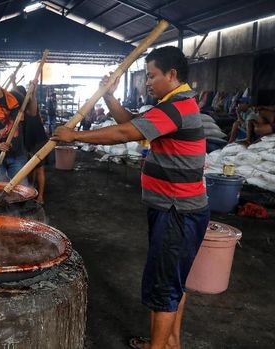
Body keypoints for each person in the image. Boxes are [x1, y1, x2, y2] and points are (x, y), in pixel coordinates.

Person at [52, 46, 210, 349]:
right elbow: (133, 123)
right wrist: (109, 95)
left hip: (176, 211)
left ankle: (159, 346)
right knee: (173, 280)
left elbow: (124, 133)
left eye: (151, 76)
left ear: (172, 75)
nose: (147, 82)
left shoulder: (176, 108)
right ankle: (168, 343)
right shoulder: (174, 105)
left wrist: (75, 136)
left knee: (164, 286)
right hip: (175, 209)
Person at [13, 85, 48, 205]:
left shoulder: (31, 108)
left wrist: (33, 92)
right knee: (30, 168)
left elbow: (32, 103)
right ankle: (31, 189)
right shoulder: (20, 109)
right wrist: (13, 81)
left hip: (39, 142)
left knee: (39, 170)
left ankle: (41, 197)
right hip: (29, 142)